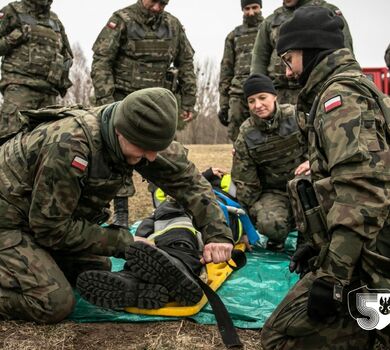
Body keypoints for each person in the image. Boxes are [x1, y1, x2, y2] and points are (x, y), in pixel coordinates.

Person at [0, 87, 234, 323]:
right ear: (120, 132)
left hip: (37, 216)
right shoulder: (69, 146)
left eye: (156, 150)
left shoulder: (143, 135)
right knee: (53, 302)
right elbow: (51, 229)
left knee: (96, 269)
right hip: (8, 222)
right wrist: (125, 241)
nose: (151, 158)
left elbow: (189, 182)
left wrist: (217, 234)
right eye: (143, 149)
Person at [260, 7, 390, 349]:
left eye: (290, 59)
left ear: (312, 49)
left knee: (281, 339)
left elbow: (363, 194)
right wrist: (317, 245)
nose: (288, 72)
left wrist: (332, 276)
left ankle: (373, 330)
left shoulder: (341, 99)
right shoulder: (344, 90)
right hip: (368, 249)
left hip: (376, 262)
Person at [91, 0, 197, 228]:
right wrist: (105, 100)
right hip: (122, 103)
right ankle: (121, 215)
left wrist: (188, 100)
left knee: (162, 156)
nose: (157, 7)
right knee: (117, 157)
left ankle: (162, 210)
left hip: (158, 108)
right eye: (153, 1)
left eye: (163, 3)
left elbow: (186, 63)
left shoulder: (173, 25)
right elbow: (102, 61)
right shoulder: (122, 20)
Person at [231, 73, 307, 251]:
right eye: (251, 101)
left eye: (262, 98)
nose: (257, 105)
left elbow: (324, 143)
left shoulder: (298, 116)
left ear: (274, 96)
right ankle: (285, 226)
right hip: (274, 192)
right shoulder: (246, 134)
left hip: (306, 183)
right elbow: (246, 184)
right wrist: (244, 226)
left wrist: (313, 161)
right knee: (270, 225)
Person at [250, 0, 353, 105]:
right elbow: (259, 58)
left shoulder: (327, 11)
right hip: (280, 94)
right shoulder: (271, 21)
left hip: (316, 90)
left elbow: (343, 52)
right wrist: (259, 91)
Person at [0, 0, 73, 143]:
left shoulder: (54, 20)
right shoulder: (13, 11)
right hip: (20, 88)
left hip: (49, 94)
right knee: (11, 140)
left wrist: (60, 75)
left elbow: (67, 55)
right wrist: (14, 37)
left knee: (45, 145)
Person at [218, 0, 264, 142]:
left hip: (263, 91)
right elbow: (226, 71)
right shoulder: (234, 36)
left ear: (260, 7)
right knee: (238, 139)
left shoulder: (269, 30)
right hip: (238, 94)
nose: (251, 12)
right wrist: (224, 104)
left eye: (255, 7)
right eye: (247, 8)